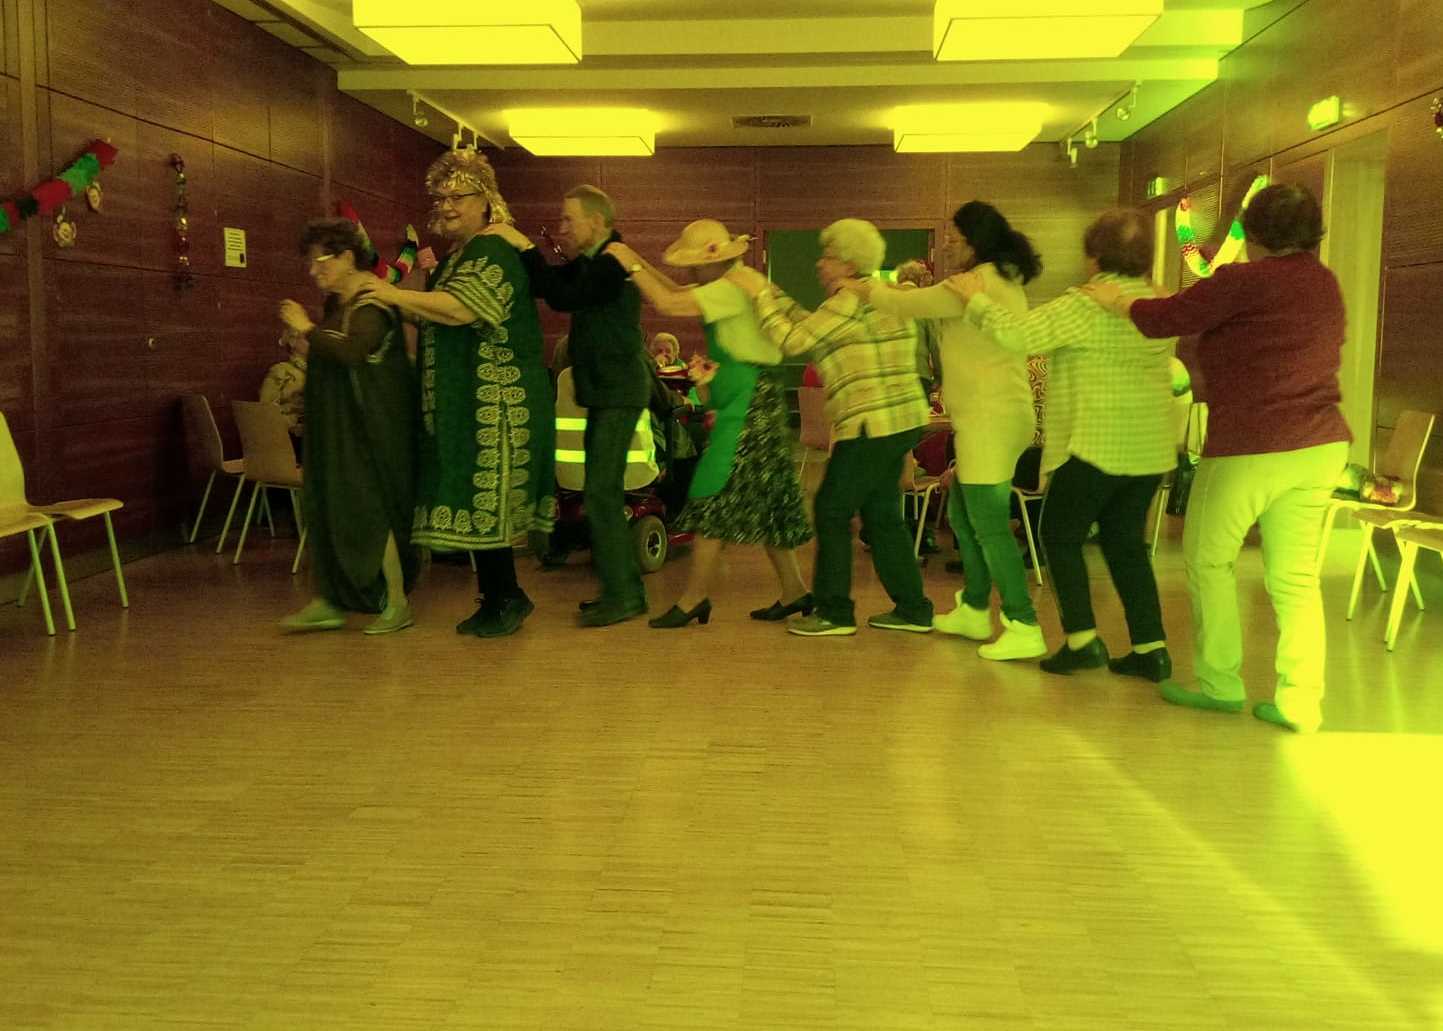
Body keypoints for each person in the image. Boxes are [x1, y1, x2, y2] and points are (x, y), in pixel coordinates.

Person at [1083, 183, 1351, 733]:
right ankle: (1301, 703)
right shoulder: (1323, 282)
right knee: (1296, 578)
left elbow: (1164, 319)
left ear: (1253, 231)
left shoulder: (1243, 280)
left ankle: (1221, 684)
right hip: (1321, 443)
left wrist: (1117, 300)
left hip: (1253, 442)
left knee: (1209, 560)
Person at [944, 209, 1177, 681]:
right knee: (1126, 544)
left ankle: (1082, 641)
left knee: (1059, 535)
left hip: (1095, 443)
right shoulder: (1158, 301)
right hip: (1150, 449)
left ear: (1094, 256)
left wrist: (975, 301)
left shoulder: (1086, 303)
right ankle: (1151, 649)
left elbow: (1020, 335)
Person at [356, 149, 555, 638]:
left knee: (487, 500)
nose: (445, 207)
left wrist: (393, 294)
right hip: (466, 402)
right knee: (472, 498)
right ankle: (498, 598)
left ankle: (507, 598)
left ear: (485, 201)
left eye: (457, 197)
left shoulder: (494, 250)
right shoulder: (456, 258)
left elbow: (461, 309)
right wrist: (381, 302)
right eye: (440, 198)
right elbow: (434, 311)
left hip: (497, 402)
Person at [842, 201, 1043, 660]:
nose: (947, 244)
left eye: (953, 236)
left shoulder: (973, 284)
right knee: (960, 512)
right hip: (992, 417)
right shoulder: (1001, 278)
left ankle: (1023, 622)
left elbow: (904, 304)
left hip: (990, 420)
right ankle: (974, 608)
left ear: (974, 241)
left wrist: (860, 285)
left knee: (988, 524)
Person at [728, 218, 934, 637]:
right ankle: (914, 609)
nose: (819, 264)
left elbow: (792, 340)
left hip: (870, 424)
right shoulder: (878, 296)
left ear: (848, 263)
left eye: (827, 256)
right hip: (902, 421)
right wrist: (766, 290)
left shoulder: (847, 301)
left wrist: (760, 296)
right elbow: (810, 325)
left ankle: (834, 612)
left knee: (830, 509)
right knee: (882, 516)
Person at [606, 219, 814, 629]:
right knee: (770, 497)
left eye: (694, 265)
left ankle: (694, 598)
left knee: (709, 490)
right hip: (757, 397)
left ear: (713, 261)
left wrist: (628, 261)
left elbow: (668, 303)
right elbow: (676, 291)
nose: (690, 272)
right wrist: (636, 261)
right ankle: (794, 590)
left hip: (749, 403)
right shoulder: (738, 281)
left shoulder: (729, 289)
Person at [485, 185, 652, 627]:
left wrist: (523, 247)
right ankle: (624, 590)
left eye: (568, 219)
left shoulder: (612, 261)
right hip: (606, 391)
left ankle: (623, 596)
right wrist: (523, 253)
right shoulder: (593, 261)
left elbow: (563, 296)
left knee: (600, 494)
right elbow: (552, 285)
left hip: (618, 391)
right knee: (601, 494)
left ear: (596, 222)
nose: (561, 228)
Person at [275, 218, 418, 635]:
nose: (313, 271)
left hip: (368, 429)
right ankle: (331, 599)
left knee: (372, 509)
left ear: (347, 257)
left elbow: (355, 351)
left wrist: (306, 329)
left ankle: (397, 602)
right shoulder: (338, 306)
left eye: (320, 262)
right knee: (328, 505)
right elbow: (333, 354)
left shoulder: (372, 304)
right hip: (337, 427)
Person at [259, 329, 307, 436]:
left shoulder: (319, 373)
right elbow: (265, 410)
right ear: (292, 341)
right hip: (288, 435)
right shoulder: (280, 371)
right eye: (307, 338)